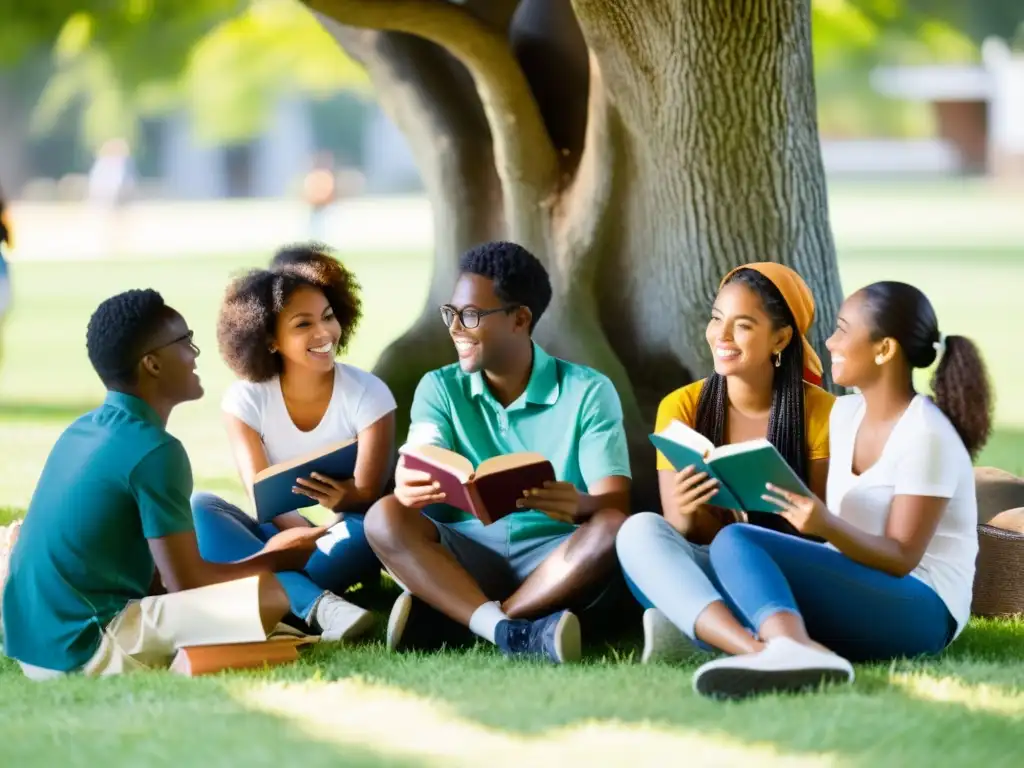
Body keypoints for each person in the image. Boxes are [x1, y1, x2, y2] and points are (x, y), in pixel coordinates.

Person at [658, 281, 989, 699]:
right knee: (728, 547)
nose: (830, 341)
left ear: (884, 350)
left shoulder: (927, 434)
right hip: (859, 583)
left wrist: (824, 523)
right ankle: (777, 646)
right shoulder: (846, 414)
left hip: (922, 608)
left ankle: (783, 648)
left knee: (738, 543)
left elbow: (902, 558)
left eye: (843, 331)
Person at [1, 289, 322, 679]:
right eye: (185, 343)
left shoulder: (83, 428)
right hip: (81, 650)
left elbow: (156, 574)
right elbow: (185, 581)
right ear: (152, 364)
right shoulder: (155, 451)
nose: (195, 355)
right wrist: (276, 556)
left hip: (32, 642)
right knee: (270, 595)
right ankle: (193, 659)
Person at [364, 241, 632, 664]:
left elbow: (614, 502)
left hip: (554, 559)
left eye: (470, 315)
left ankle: (472, 619)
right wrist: (409, 481)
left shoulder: (589, 391)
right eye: (450, 313)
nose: (455, 327)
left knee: (614, 527)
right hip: (463, 551)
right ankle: (510, 632)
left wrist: (579, 503)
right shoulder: (440, 387)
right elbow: (424, 449)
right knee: (384, 516)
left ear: (520, 319)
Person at [616, 263, 836, 664]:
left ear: (781, 338)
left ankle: (700, 629)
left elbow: (823, 535)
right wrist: (687, 511)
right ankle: (756, 648)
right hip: (709, 565)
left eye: (743, 325)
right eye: (717, 319)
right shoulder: (681, 406)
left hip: (788, 574)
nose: (722, 336)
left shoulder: (822, 413)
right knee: (639, 531)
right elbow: (682, 530)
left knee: (733, 568)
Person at [191, 244, 396, 641]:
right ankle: (319, 606)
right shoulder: (245, 399)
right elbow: (264, 496)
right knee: (200, 507)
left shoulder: (369, 394)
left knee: (373, 525)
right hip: (279, 531)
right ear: (270, 340)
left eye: (328, 317)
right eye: (303, 325)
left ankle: (275, 597)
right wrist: (296, 539)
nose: (324, 333)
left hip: (350, 529)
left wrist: (339, 504)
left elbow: (369, 492)